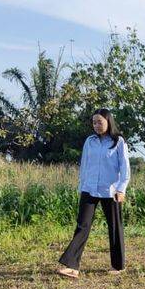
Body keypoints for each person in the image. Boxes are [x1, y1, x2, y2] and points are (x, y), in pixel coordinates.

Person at [57, 109, 130, 278]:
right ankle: (72, 266)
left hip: (110, 191)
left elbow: (125, 168)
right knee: (82, 226)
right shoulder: (89, 141)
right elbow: (85, 164)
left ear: (108, 122)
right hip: (89, 189)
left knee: (114, 227)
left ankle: (118, 265)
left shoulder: (118, 141)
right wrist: (81, 186)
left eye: (100, 122)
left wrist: (121, 189)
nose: (96, 125)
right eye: (94, 122)